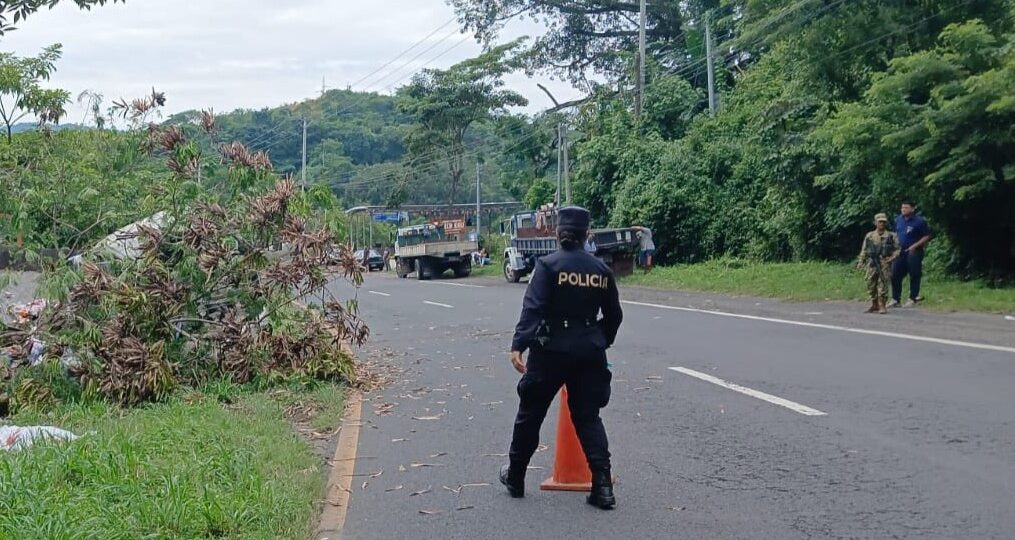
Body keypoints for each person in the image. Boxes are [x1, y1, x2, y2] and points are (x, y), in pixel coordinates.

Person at [500, 206, 624, 510]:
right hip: (588, 351)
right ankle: (603, 487)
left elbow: (533, 307)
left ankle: (516, 477)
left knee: (531, 413)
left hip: (550, 350)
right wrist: (600, 340)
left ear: (557, 233)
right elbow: (614, 315)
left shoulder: (548, 266)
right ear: (587, 234)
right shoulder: (601, 271)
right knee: (588, 417)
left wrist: (519, 344)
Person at [889, 201, 933, 307]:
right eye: (902, 207)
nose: (903, 209)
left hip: (914, 251)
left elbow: (927, 235)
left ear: (912, 209)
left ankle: (913, 298)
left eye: (906, 207)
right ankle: (895, 299)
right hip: (900, 251)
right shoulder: (898, 220)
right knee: (895, 274)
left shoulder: (920, 221)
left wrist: (915, 246)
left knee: (914, 274)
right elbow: (894, 234)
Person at [857, 213, 900, 314]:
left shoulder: (891, 236)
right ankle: (874, 303)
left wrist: (892, 258)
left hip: (884, 263)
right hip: (872, 262)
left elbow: (898, 249)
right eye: (880, 221)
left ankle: (882, 305)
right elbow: (864, 250)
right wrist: (861, 262)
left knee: (883, 284)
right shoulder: (870, 236)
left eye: (883, 222)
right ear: (875, 222)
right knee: (870, 284)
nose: (882, 223)